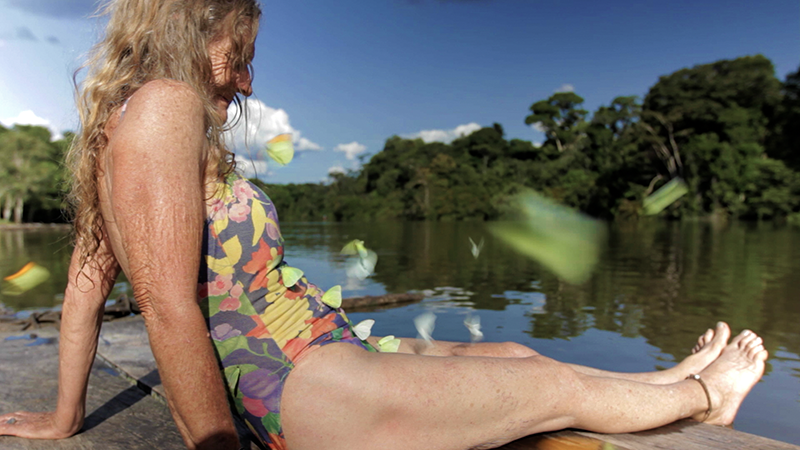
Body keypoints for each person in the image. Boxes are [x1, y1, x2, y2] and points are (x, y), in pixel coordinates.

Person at [0, 1, 769, 449]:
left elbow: (81, 288)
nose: (245, 76)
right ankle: (706, 403)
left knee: (505, 347)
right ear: (203, 22)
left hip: (319, 348)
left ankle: (665, 381)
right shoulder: (167, 105)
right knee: (546, 384)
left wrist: (66, 419)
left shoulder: (117, 137)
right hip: (295, 380)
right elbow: (168, 310)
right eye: (243, 51)